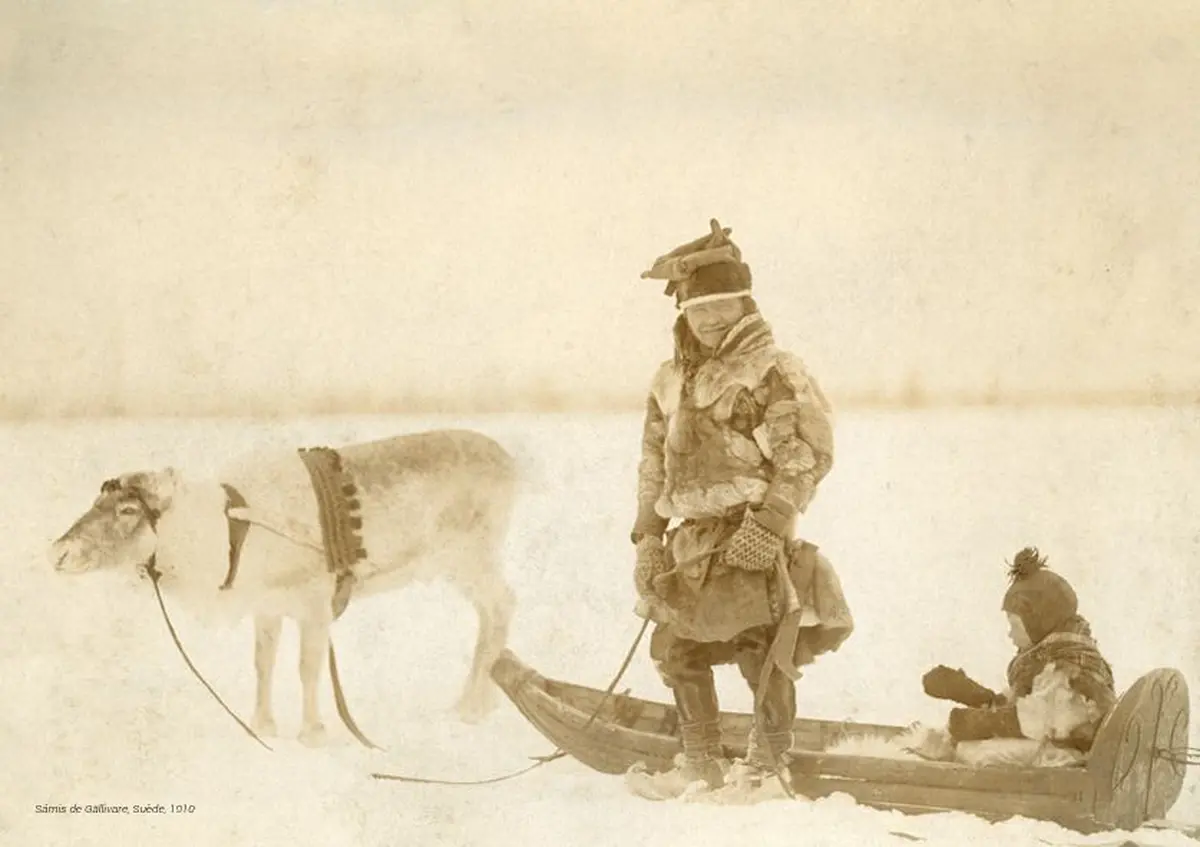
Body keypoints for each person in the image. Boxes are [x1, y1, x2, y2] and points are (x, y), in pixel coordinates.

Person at [628, 219, 854, 798]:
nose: (709, 319)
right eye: (698, 308)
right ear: (683, 311)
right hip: (690, 540)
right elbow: (653, 461)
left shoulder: (772, 370)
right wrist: (649, 536)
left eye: (722, 307)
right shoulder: (668, 381)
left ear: (744, 306)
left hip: (750, 531)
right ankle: (700, 761)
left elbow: (804, 456)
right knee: (676, 651)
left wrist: (771, 524)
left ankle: (766, 768)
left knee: (761, 651)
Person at [920, 547, 1116, 763]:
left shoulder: (1068, 669)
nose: (1010, 634)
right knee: (968, 747)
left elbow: (1033, 719)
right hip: (1050, 746)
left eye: (1015, 625)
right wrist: (978, 696)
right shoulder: (1045, 661)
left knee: (975, 753)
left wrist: (970, 723)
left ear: (1038, 622)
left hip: (1066, 758)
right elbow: (1024, 706)